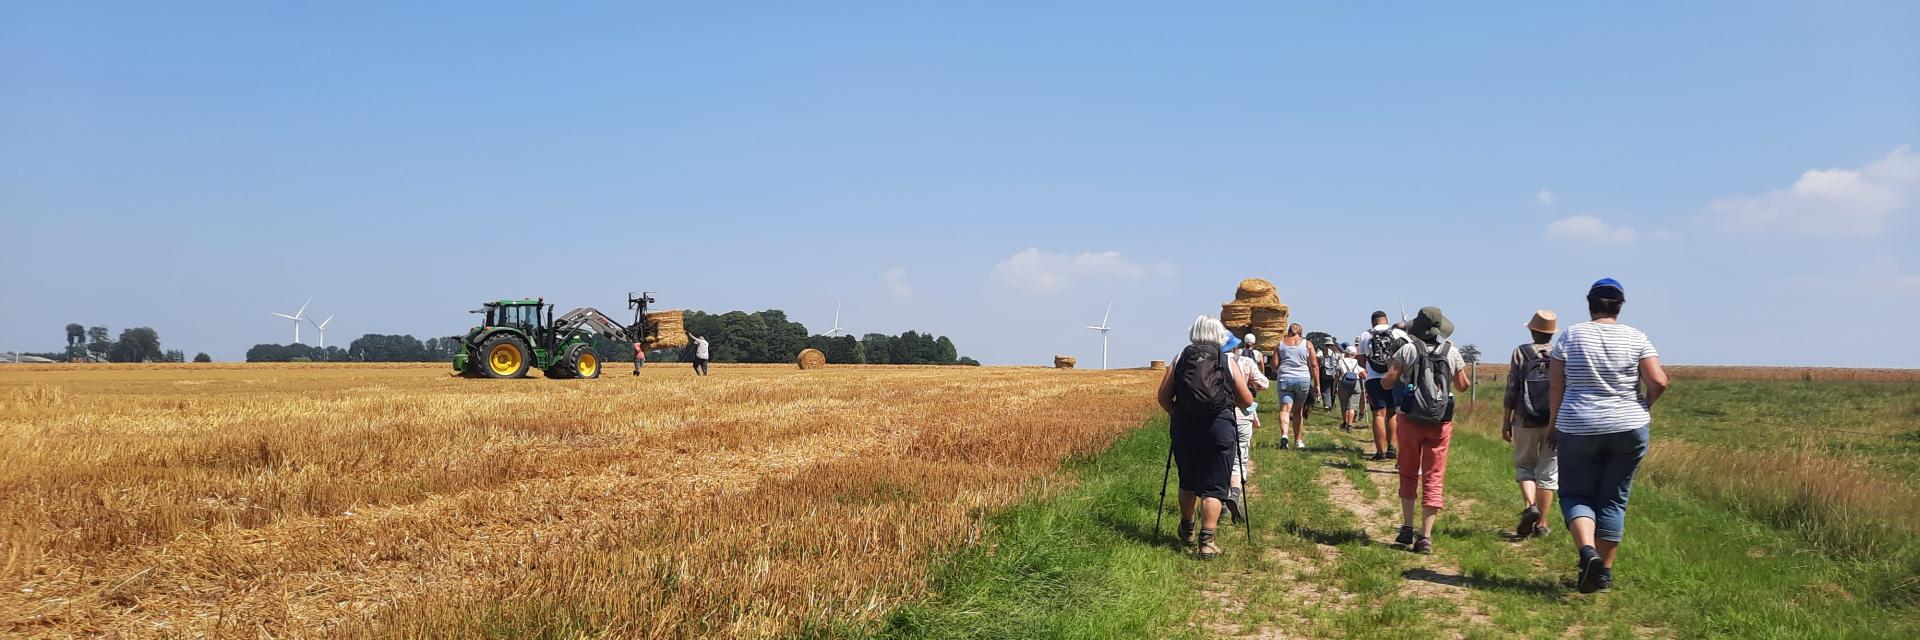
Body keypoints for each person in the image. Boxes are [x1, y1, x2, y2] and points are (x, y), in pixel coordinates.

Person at [1550, 278, 1668, 594]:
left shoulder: (1570, 336)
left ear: (1590, 303)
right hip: (1629, 425)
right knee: (1614, 498)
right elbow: (1659, 380)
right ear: (1620, 306)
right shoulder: (1637, 337)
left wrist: (1552, 426)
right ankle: (1603, 574)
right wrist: (1645, 404)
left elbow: (1556, 386)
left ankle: (1587, 552)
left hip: (1578, 425)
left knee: (1576, 494)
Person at [1157, 315, 1256, 559]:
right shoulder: (1227, 360)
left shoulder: (1180, 358)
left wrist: (1177, 414)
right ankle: (1207, 542)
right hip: (1219, 428)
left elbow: (1163, 397)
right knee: (1214, 486)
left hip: (1185, 428)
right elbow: (1247, 400)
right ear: (1219, 335)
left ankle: (1187, 525)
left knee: (1188, 481)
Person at [1383, 306, 1469, 554]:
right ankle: (1426, 536)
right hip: (1440, 420)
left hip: (1410, 418)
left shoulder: (1409, 349)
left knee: (1409, 472)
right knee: (1434, 475)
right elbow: (1463, 386)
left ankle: (1408, 527)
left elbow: (1389, 381)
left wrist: (1389, 378)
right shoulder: (1451, 351)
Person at [1503, 310, 1560, 539]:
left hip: (1524, 419)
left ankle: (1530, 506)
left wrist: (1505, 421)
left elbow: (1512, 388)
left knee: (1525, 466)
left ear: (1532, 330)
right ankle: (1543, 524)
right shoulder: (1560, 354)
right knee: (1548, 472)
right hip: (1553, 421)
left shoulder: (1521, 352)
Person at [1223, 335, 1270, 525]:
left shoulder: (1213, 362)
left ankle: (1220, 499)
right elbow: (1264, 383)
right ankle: (1234, 493)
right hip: (1242, 414)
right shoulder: (1245, 362)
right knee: (1239, 457)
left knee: (1221, 455)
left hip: (1219, 415)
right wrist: (1251, 384)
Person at [1355, 311, 1411, 461]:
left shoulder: (1366, 335)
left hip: (1373, 378)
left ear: (1372, 322)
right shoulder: (1398, 332)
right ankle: (1392, 447)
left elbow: (1360, 359)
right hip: (1395, 377)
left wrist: (1367, 369)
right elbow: (1410, 351)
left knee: (1378, 414)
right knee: (1392, 412)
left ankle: (1380, 453)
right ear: (1387, 320)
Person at [1269, 323, 1318, 450]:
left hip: (1285, 378)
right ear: (1300, 333)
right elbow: (1314, 365)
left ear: (1288, 332)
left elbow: (1274, 366)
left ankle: (1284, 435)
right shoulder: (1308, 344)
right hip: (1302, 379)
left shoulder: (1280, 344)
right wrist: (1317, 384)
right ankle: (1298, 440)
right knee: (1297, 410)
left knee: (1285, 409)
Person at [1337, 345, 1364, 433]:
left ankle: (1345, 422)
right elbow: (1362, 372)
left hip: (1343, 383)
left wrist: (1334, 387)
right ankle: (1350, 425)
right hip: (1355, 383)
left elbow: (1337, 374)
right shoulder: (1357, 362)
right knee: (1353, 406)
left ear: (1346, 353)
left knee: (1344, 405)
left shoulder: (1341, 361)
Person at [1318, 340, 1342, 410]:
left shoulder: (1321, 352)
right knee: (1333, 388)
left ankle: (1327, 404)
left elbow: (1317, 358)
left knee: (1325, 388)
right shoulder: (1336, 352)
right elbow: (1340, 360)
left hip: (1324, 372)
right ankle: (1332, 403)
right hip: (1334, 372)